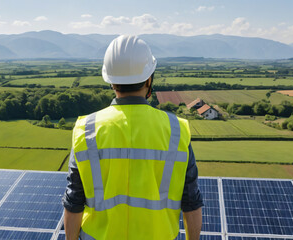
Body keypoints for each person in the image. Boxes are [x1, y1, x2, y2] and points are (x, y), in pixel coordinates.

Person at [62, 35, 203, 240]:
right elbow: (191, 202)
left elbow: (73, 201)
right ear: (149, 79)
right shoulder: (176, 130)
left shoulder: (86, 129)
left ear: (110, 81)